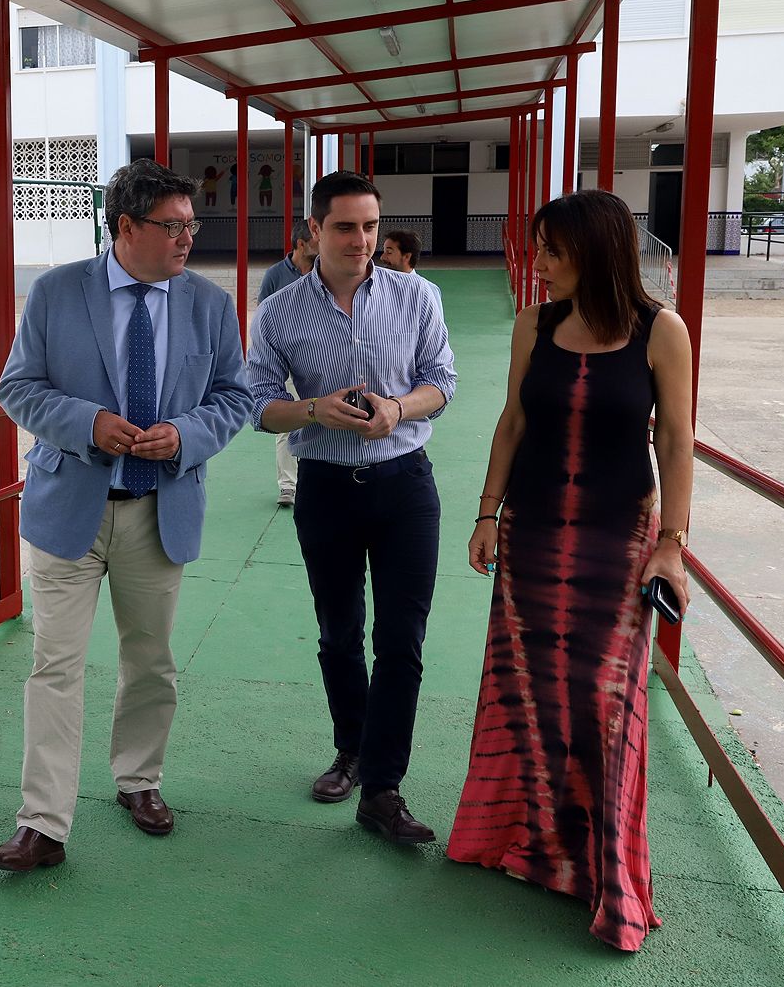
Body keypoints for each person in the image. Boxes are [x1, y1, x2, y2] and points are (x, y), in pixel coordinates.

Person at [0, 159, 254, 871]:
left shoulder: (207, 302)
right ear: (126, 227)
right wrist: (87, 421)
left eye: (191, 225)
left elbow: (235, 397)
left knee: (151, 661)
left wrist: (187, 435)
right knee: (55, 666)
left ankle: (139, 780)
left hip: (157, 510)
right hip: (68, 507)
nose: (187, 239)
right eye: (173, 226)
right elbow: (19, 387)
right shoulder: (56, 292)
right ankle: (42, 821)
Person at [448, 189, 693, 952]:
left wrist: (673, 542)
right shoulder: (537, 323)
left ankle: (608, 874)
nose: (540, 261)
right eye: (540, 247)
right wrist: (488, 511)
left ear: (595, 249)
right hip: (533, 534)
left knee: (606, 704)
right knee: (529, 690)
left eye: (552, 249)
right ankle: (532, 847)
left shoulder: (662, 331)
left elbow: (678, 441)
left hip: (619, 541)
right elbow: (515, 419)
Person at [245, 171, 457, 845]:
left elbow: (441, 381)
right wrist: (313, 408)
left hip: (405, 485)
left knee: (402, 640)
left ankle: (384, 788)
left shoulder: (418, 295)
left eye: (369, 226)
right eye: (344, 226)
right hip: (328, 488)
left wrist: (397, 407)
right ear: (313, 230)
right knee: (340, 633)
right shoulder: (279, 311)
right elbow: (256, 403)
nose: (361, 240)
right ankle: (351, 748)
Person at [257, 219, 319, 507]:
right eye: (315, 239)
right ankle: (288, 486)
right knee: (289, 422)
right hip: (288, 359)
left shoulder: (325, 271)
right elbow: (263, 318)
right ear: (301, 244)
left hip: (321, 358)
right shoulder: (275, 275)